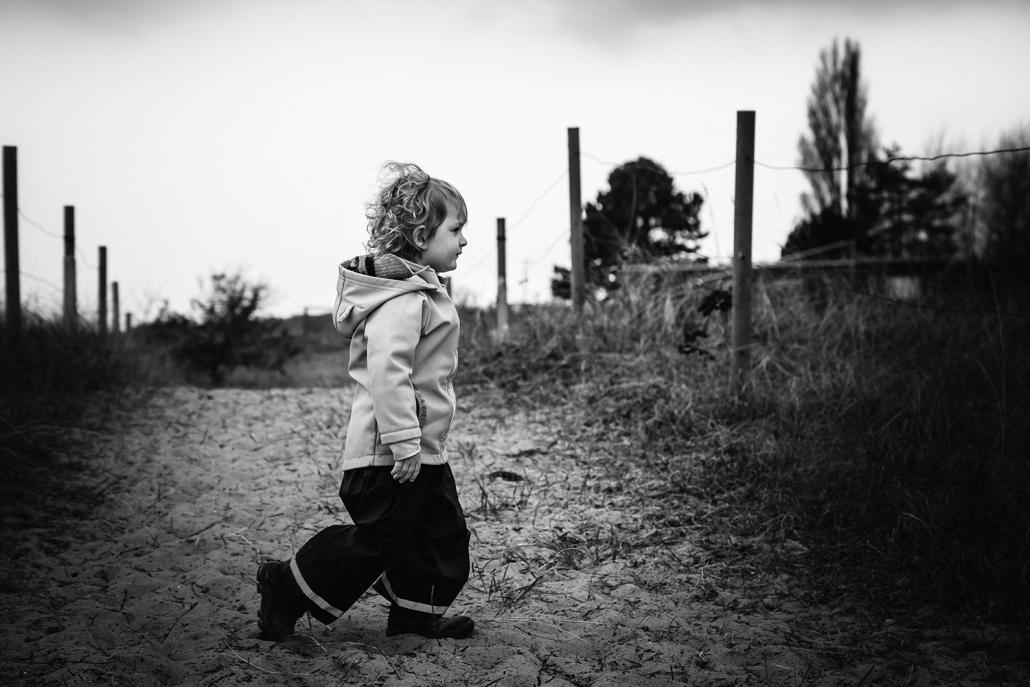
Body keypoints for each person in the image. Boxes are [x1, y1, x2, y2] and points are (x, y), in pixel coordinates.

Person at [256, 162, 473, 641]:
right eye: (456, 229)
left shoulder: (424, 293)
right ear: (421, 234)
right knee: (382, 540)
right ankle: (284, 587)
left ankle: (416, 615)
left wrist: (420, 443)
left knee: (442, 533)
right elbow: (387, 372)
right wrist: (403, 441)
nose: (463, 240)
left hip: (419, 448)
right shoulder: (400, 301)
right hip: (389, 453)